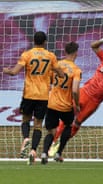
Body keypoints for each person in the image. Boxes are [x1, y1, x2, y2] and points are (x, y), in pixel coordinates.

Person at [2, 31, 64, 165]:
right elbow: (61, 74)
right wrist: (53, 71)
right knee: (38, 125)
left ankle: (25, 138)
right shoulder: (51, 56)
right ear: (45, 42)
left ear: (34, 41)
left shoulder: (27, 54)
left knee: (25, 119)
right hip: (43, 96)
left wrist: (6, 70)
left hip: (29, 94)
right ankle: (33, 151)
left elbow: (14, 72)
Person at [40, 42, 82, 164]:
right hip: (66, 106)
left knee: (51, 132)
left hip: (52, 104)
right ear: (76, 53)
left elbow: (49, 83)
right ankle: (58, 153)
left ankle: (44, 153)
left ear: (65, 52)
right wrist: (77, 104)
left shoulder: (56, 65)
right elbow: (75, 90)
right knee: (68, 127)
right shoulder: (76, 70)